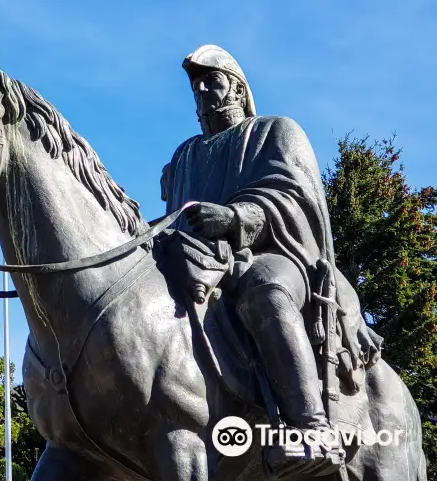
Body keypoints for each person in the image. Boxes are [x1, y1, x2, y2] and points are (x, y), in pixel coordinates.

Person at [160, 45, 380, 479]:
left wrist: (235, 217)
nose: (202, 90)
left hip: (274, 254)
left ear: (238, 89)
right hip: (202, 263)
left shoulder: (275, 131)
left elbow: (295, 198)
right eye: (196, 84)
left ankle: (310, 428)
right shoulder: (184, 155)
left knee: (266, 291)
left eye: (212, 80)